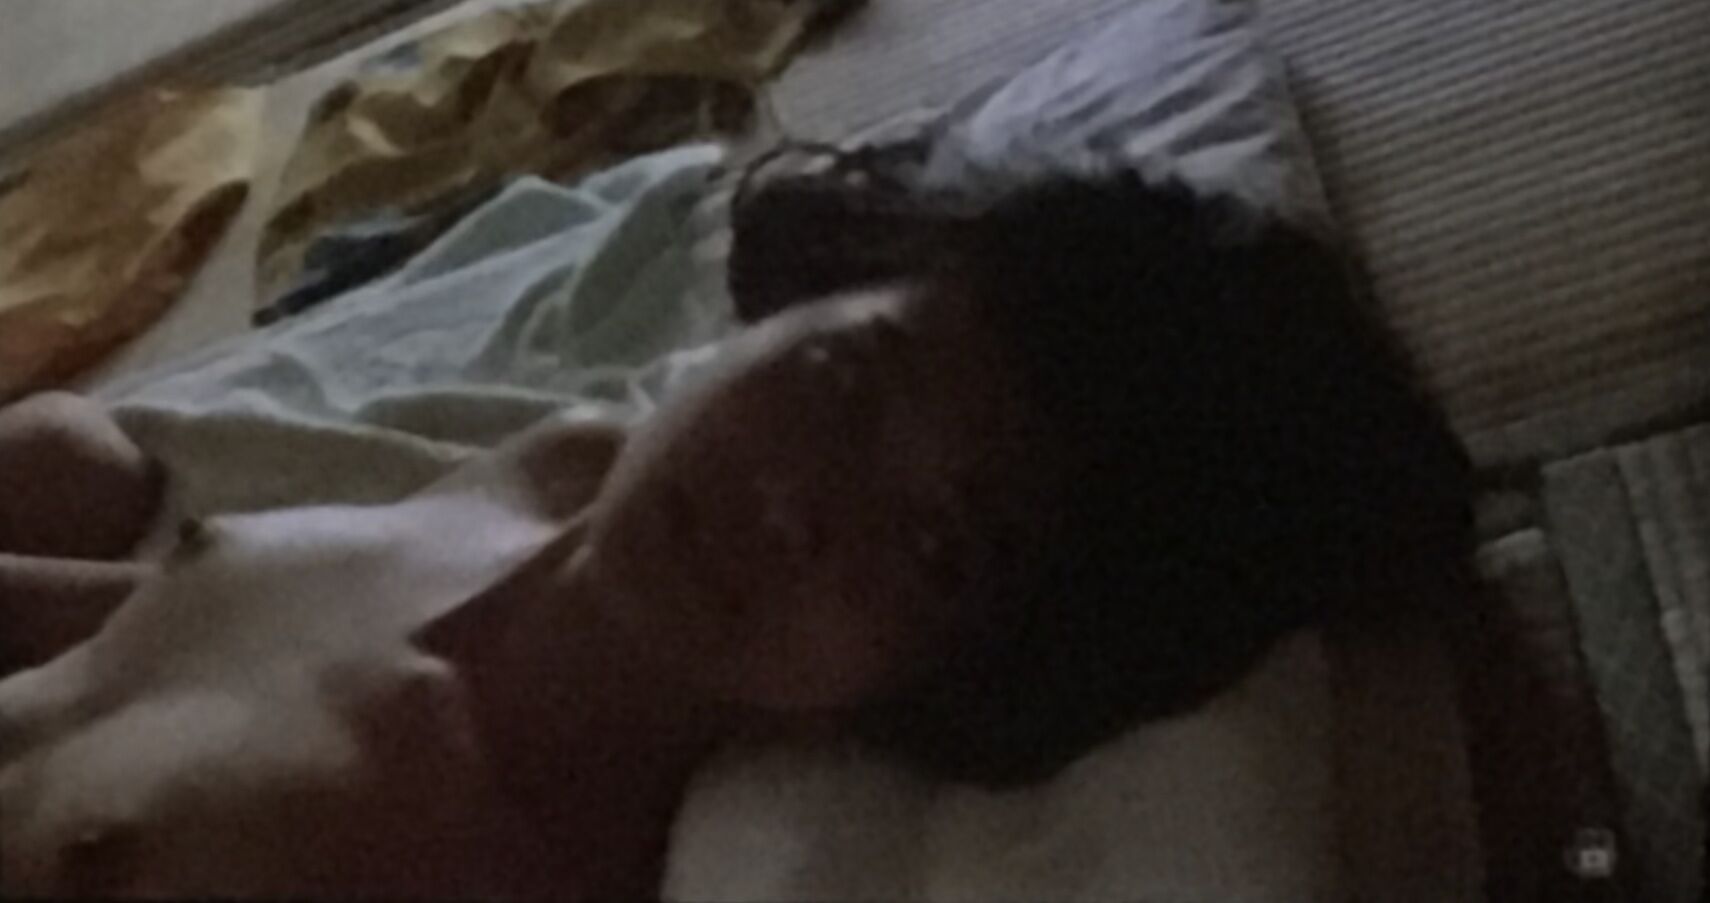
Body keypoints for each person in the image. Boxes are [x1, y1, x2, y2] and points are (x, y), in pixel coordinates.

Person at [0, 164, 1474, 899]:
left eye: (933, 546)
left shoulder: (466, 843)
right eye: (845, 379)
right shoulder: (552, 472)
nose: (794, 505)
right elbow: (173, 660)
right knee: (63, 451)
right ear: (808, 297)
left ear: (972, 676)